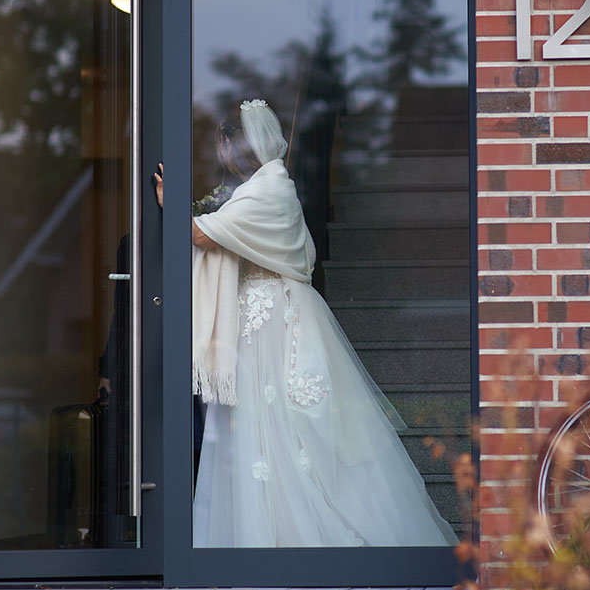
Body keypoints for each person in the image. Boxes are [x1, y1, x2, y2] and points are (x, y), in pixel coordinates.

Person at [157, 99, 457, 547]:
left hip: (272, 325)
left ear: (242, 148)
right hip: (266, 319)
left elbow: (203, 234)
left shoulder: (267, 190)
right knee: (265, 428)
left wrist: (170, 202)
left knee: (275, 425)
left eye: (224, 146)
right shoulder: (268, 186)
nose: (221, 157)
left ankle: (282, 537)